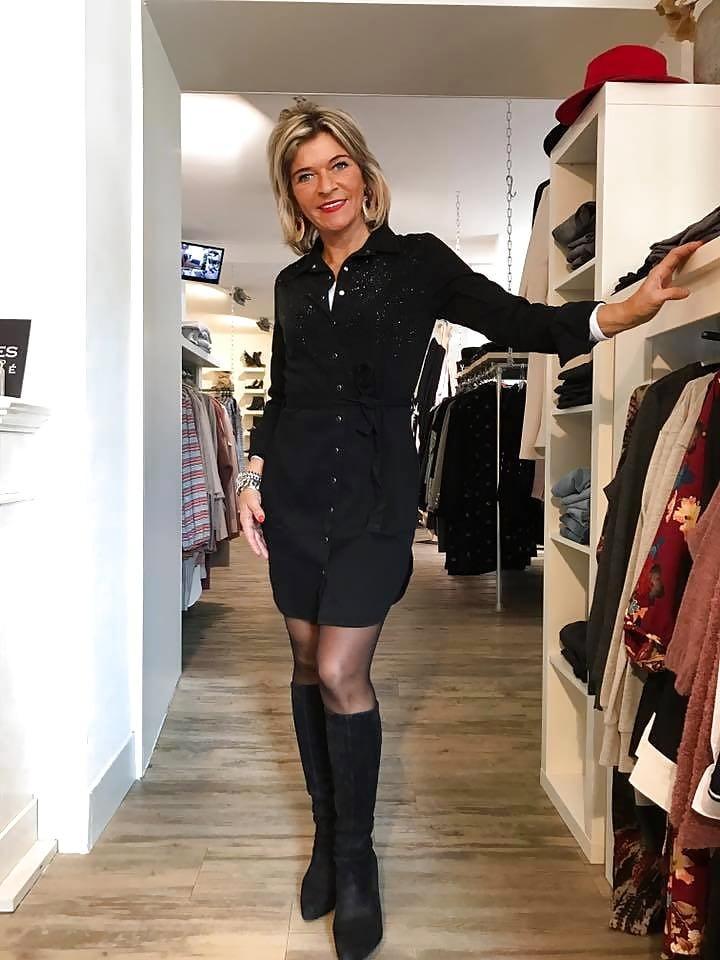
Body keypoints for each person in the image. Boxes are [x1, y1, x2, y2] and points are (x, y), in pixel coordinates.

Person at [236, 101, 701, 960]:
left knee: (340, 670)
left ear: (364, 173)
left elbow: (527, 323)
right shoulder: (293, 285)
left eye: (337, 165)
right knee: (303, 663)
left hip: (376, 501)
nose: (325, 185)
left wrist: (624, 310)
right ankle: (325, 837)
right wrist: (252, 475)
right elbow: (286, 389)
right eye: (305, 174)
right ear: (291, 194)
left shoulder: (418, 263)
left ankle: (356, 860)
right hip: (295, 496)